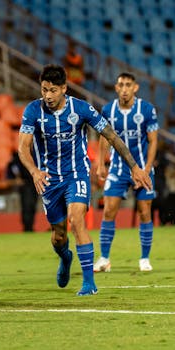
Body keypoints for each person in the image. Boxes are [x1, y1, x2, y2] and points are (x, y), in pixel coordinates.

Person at [18, 64, 152, 296]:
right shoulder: (32, 111)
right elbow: (23, 147)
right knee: (59, 235)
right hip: (49, 180)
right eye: (44, 90)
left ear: (64, 89)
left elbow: (110, 135)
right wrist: (34, 171)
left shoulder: (81, 109)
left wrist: (135, 167)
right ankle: (65, 257)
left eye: (52, 90)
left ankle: (89, 283)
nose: (47, 96)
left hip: (77, 175)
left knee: (76, 218)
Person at [93, 72, 159, 273]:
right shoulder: (108, 110)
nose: (124, 89)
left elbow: (153, 140)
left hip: (143, 169)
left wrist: (147, 169)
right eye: (120, 84)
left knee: (145, 211)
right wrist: (100, 163)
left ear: (135, 88)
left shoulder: (146, 110)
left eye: (128, 85)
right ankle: (104, 259)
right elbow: (104, 138)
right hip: (118, 169)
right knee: (108, 210)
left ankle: (144, 258)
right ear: (116, 87)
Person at [6, 151, 39, 232]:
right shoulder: (19, 153)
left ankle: (30, 226)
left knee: (32, 205)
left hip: (34, 182)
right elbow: (13, 166)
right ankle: (27, 227)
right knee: (26, 205)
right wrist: (17, 177)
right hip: (25, 183)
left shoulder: (36, 152)